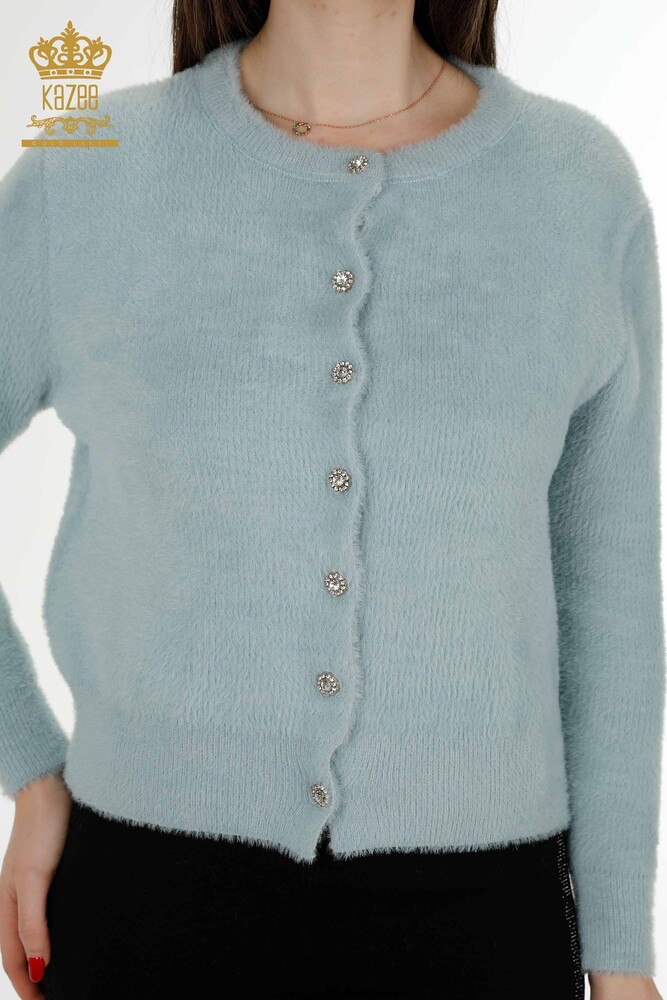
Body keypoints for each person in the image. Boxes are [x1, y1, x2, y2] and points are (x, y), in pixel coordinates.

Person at [0, 1, 664, 998]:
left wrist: (618, 951)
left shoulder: (575, 187)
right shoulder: (91, 172)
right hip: (146, 905)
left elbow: (607, 593)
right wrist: (30, 767)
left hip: (484, 923)